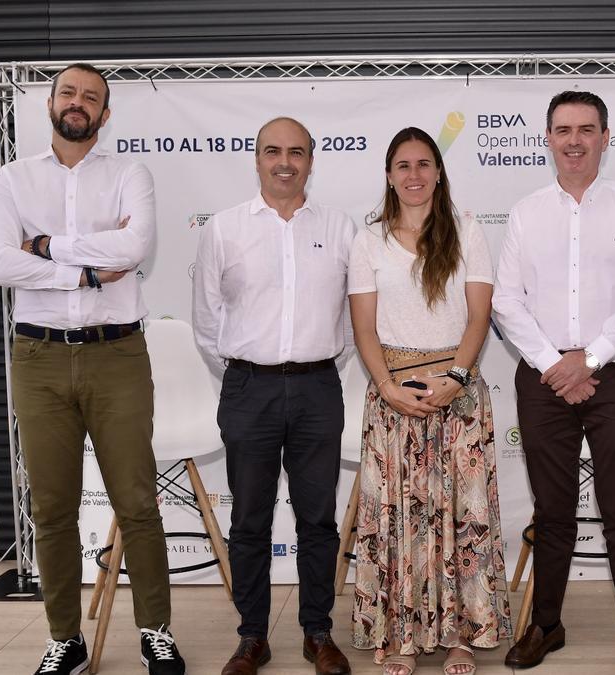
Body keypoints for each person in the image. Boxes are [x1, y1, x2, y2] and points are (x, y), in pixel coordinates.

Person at [0, 63, 186, 675]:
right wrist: (86, 272)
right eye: (68, 92)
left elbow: (134, 247)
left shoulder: (129, 174)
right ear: (50, 104)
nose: (78, 102)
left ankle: (155, 631)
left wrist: (44, 246)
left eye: (91, 97)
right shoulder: (13, 179)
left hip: (116, 355)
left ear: (105, 113)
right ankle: (64, 639)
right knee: (51, 508)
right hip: (38, 357)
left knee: (137, 502)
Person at [492, 91, 615, 675]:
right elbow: (506, 302)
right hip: (544, 378)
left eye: (586, 129)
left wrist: (588, 359)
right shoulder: (525, 213)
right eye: (563, 130)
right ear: (547, 139)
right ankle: (546, 625)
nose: (574, 141)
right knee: (553, 509)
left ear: (605, 137)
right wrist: (556, 364)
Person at [193, 116, 354, 675]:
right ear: (257, 158)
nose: (284, 162)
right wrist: (245, 372)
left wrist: (315, 362)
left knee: (318, 520)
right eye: (272, 151)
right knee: (248, 522)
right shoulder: (224, 228)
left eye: (296, 152)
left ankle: (318, 633)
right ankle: (251, 638)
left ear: (311, 160)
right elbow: (207, 319)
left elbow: (352, 317)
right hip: (248, 388)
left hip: (318, 387)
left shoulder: (340, 228)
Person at [348, 127, 512, 675]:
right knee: (397, 519)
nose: (414, 175)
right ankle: (402, 636)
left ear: (439, 172)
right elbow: (364, 329)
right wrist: (388, 388)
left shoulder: (467, 231)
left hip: (458, 398)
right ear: (389, 175)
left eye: (424, 164)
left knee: (462, 519)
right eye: (403, 165)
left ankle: (460, 637)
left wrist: (457, 378)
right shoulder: (369, 240)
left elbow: (479, 315)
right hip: (393, 397)